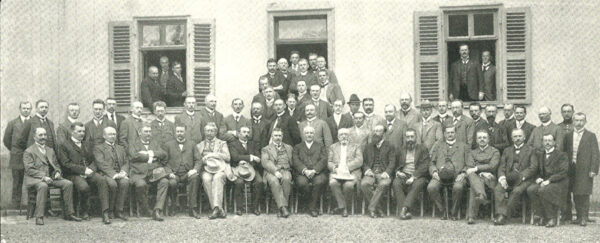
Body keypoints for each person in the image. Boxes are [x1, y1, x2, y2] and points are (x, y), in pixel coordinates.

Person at [23, 127, 82, 225]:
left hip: (51, 177)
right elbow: (29, 170)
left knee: (68, 184)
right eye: (40, 135)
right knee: (43, 186)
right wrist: (43, 177)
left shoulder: (50, 150)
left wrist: (57, 172)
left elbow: (56, 164)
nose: (43, 137)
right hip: (36, 179)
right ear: (34, 137)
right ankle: (39, 217)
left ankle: (69, 213)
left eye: (45, 135)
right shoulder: (29, 151)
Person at [57, 122, 110, 223]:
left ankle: (105, 212)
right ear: (72, 132)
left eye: (83, 131)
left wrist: (90, 170)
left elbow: (94, 161)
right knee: (83, 187)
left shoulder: (87, 144)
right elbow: (65, 164)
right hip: (73, 174)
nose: (82, 133)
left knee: (102, 180)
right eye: (79, 131)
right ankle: (84, 211)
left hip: (88, 172)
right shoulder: (64, 145)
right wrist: (83, 170)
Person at [562, 112, 599, 226]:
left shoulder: (590, 135)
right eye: (576, 120)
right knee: (575, 192)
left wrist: (593, 169)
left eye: (581, 120)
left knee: (584, 193)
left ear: (585, 122)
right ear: (573, 121)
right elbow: (564, 153)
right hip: (571, 168)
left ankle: (584, 217)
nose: (579, 123)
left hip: (585, 168)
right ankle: (578, 216)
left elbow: (595, 154)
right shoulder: (568, 135)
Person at [493, 129, 536, 226]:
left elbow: (533, 167)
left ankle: (503, 216)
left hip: (524, 179)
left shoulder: (531, 150)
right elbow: (501, 166)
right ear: (512, 138)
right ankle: (500, 213)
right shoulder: (507, 150)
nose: (518, 138)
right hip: (509, 178)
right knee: (498, 189)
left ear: (524, 137)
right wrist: (502, 178)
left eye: (520, 136)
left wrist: (522, 177)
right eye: (515, 137)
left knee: (517, 191)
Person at [427, 126, 469, 220]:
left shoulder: (464, 146)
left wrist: (463, 174)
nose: (450, 134)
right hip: (440, 176)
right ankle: (442, 210)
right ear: (444, 134)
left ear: (456, 134)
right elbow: (431, 162)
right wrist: (434, 172)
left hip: (457, 176)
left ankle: (453, 212)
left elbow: (469, 164)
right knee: (431, 187)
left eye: (452, 132)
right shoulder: (438, 146)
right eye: (448, 133)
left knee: (458, 187)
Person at [527, 134, 569, 228]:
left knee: (543, 190)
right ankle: (540, 215)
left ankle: (551, 217)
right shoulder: (540, 154)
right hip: (544, 182)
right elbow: (536, 170)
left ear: (554, 142)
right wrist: (538, 178)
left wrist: (549, 180)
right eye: (545, 141)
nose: (547, 143)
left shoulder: (562, 155)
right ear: (542, 142)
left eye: (550, 140)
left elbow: (563, 172)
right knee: (531, 189)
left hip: (558, 182)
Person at [128, 125, 168, 221]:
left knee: (164, 182)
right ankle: (145, 209)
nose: (148, 134)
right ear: (140, 132)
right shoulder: (133, 144)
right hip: (138, 173)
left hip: (153, 173)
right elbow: (133, 156)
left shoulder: (155, 143)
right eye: (146, 131)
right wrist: (150, 157)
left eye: (150, 131)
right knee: (140, 185)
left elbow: (163, 154)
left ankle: (157, 210)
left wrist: (150, 153)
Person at [162, 125, 201, 218]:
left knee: (195, 178)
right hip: (174, 174)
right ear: (175, 133)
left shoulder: (192, 144)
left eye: (182, 131)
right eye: (178, 131)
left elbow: (198, 160)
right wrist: (169, 172)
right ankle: (173, 206)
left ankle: (192, 208)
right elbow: (164, 162)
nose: (180, 134)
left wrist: (195, 170)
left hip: (188, 173)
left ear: (186, 132)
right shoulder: (168, 145)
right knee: (172, 183)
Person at [93, 127, 130, 223]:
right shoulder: (98, 148)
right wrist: (114, 174)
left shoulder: (120, 148)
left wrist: (123, 172)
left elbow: (126, 162)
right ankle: (107, 211)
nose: (112, 136)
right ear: (104, 136)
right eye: (110, 134)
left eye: (114, 134)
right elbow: (101, 163)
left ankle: (119, 210)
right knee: (112, 184)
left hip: (120, 173)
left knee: (125, 182)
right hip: (106, 174)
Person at [393, 128, 431, 220]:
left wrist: (413, 177)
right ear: (405, 138)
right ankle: (406, 211)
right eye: (408, 137)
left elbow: (425, 165)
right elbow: (395, 163)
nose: (410, 139)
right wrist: (398, 172)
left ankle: (403, 209)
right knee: (396, 183)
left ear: (416, 137)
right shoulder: (400, 149)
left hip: (418, 175)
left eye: (412, 136)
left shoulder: (422, 148)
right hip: (404, 174)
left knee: (418, 184)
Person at [195, 123, 230, 220]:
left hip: (220, 169)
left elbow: (228, 158)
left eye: (211, 131)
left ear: (215, 132)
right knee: (206, 179)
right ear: (204, 132)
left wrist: (214, 154)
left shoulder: (222, 143)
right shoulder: (200, 145)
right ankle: (218, 209)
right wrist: (204, 160)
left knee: (218, 178)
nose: (209, 133)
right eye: (207, 131)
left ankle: (215, 209)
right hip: (207, 169)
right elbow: (197, 160)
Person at [465, 130, 500, 224]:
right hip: (475, 177)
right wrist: (481, 171)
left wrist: (478, 169)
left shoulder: (494, 151)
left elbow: (493, 166)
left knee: (474, 184)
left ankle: (471, 216)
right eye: (480, 138)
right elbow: (469, 166)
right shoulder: (472, 152)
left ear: (488, 139)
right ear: (476, 140)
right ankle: (481, 195)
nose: (482, 140)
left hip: (489, 178)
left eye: (484, 138)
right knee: (472, 176)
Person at [292, 126, 328, 217]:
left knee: (319, 182)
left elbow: (324, 159)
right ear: (304, 135)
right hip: (302, 173)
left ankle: (311, 207)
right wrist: (304, 170)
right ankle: (309, 205)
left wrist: (314, 170)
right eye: (307, 133)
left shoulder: (321, 146)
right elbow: (295, 160)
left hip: (317, 172)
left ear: (314, 134)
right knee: (302, 183)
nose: (309, 135)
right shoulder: (297, 147)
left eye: (311, 133)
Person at [229, 126, 265, 216]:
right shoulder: (233, 144)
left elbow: (258, 158)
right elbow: (235, 157)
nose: (246, 134)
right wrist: (251, 157)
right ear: (239, 134)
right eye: (244, 132)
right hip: (238, 169)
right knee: (239, 183)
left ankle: (255, 207)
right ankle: (239, 208)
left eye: (248, 132)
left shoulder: (253, 144)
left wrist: (248, 159)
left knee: (259, 181)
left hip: (252, 169)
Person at [361, 125, 396, 218]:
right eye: (375, 131)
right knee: (364, 184)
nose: (376, 133)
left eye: (379, 131)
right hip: (371, 172)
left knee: (383, 184)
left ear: (384, 134)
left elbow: (392, 162)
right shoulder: (368, 146)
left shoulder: (390, 146)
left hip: (384, 173)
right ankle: (378, 209)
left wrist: (387, 172)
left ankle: (372, 209)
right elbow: (363, 161)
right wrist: (367, 170)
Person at [328, 128, 363, 217]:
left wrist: (347, 167)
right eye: (341, 135)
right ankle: (343, 207)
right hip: (337, 172)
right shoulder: (333, 147)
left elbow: (359, 160)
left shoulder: (356, 146)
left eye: (346, 134)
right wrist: (335, 169)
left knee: (348, 185)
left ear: (349, 136)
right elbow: (329, 162)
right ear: (338, 137)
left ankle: (341, 207)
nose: (343, 136)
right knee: (333, 183)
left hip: (352, 172)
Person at [3, 101, 31, 207]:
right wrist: (15, 149)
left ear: (31, 110)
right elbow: (6, 140)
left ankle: (32, 205)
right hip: (17, 156)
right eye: (24, 108)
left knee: (32, 181)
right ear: (20, 109)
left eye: (28, 108)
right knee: (17, 182)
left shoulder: (34, 122)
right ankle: (16, 205)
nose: (26, 110)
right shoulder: (12, 123)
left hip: (31, 157)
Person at [262, 128, 293, 218]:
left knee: (287, 179)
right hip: (271, 171)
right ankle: (283, 208)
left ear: (282, 136)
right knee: (274, 181)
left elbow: (292, 162)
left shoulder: (289, 148)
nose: (278, 137)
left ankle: (281, 208)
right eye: (275, 135)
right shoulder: (266, 149)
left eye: (279, 135)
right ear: (272, 136)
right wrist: (275, 171)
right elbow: (265, 162)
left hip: (286, 170)